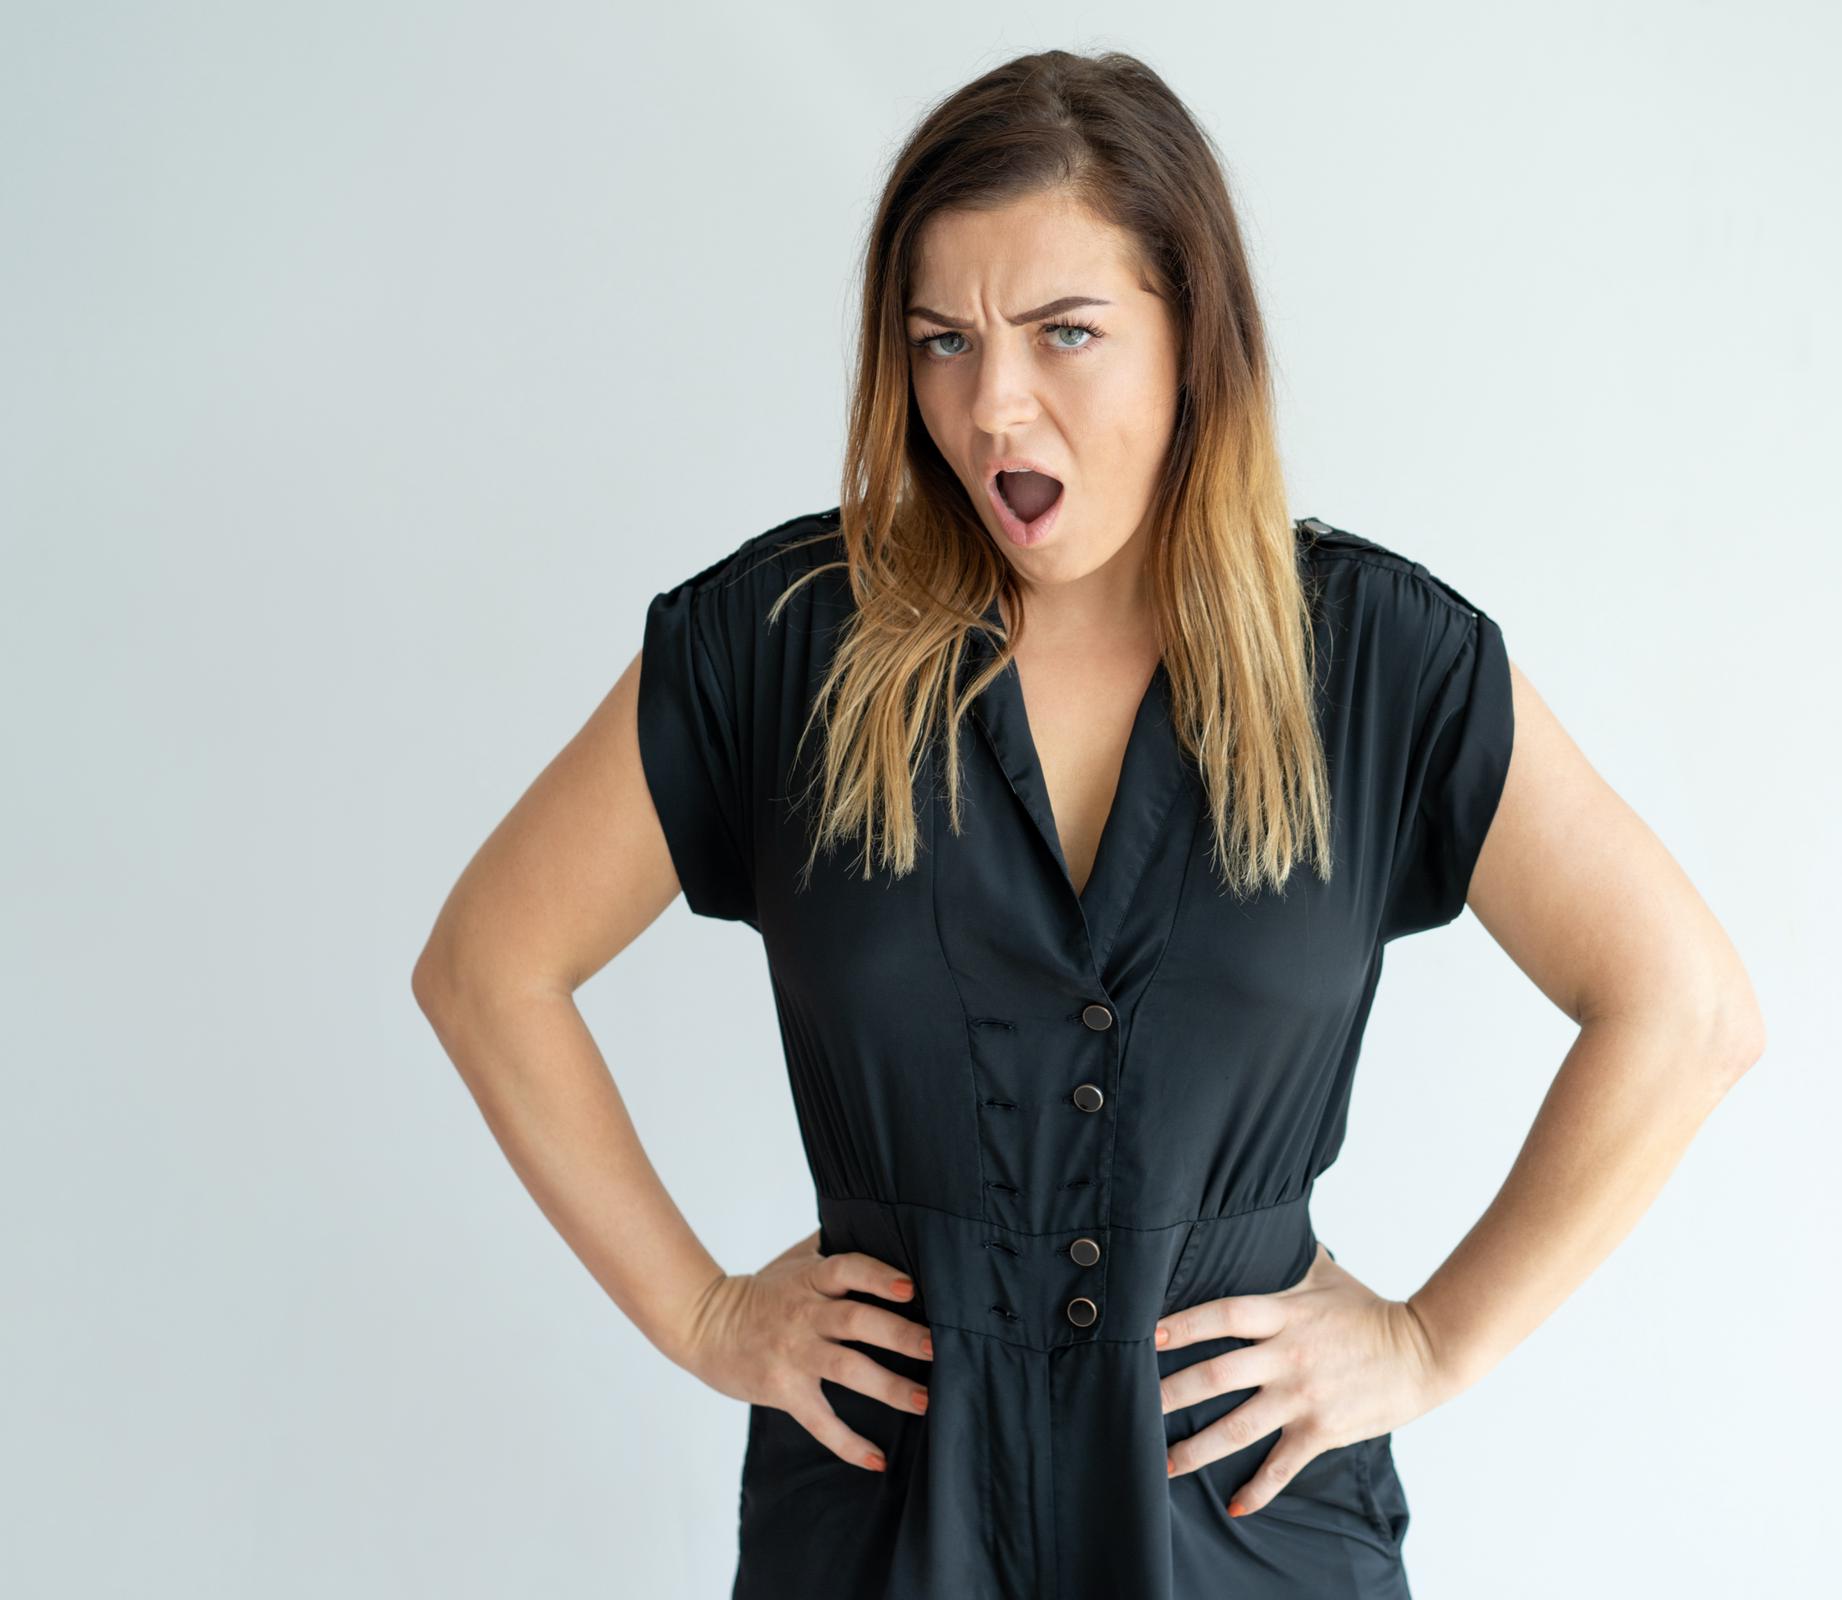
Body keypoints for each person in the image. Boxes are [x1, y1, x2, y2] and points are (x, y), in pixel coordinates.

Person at [413, 47, 1765, 1600]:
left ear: (1195, 334)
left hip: (1245, 1527)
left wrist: (1430, 1343)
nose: (992, 408)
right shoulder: (778, 644)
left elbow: (1687, 1009)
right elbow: (487, 966)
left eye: (1066, 333)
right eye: (942, 342)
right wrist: (705, 1316)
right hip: (880, 1525)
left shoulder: (1384, 662)